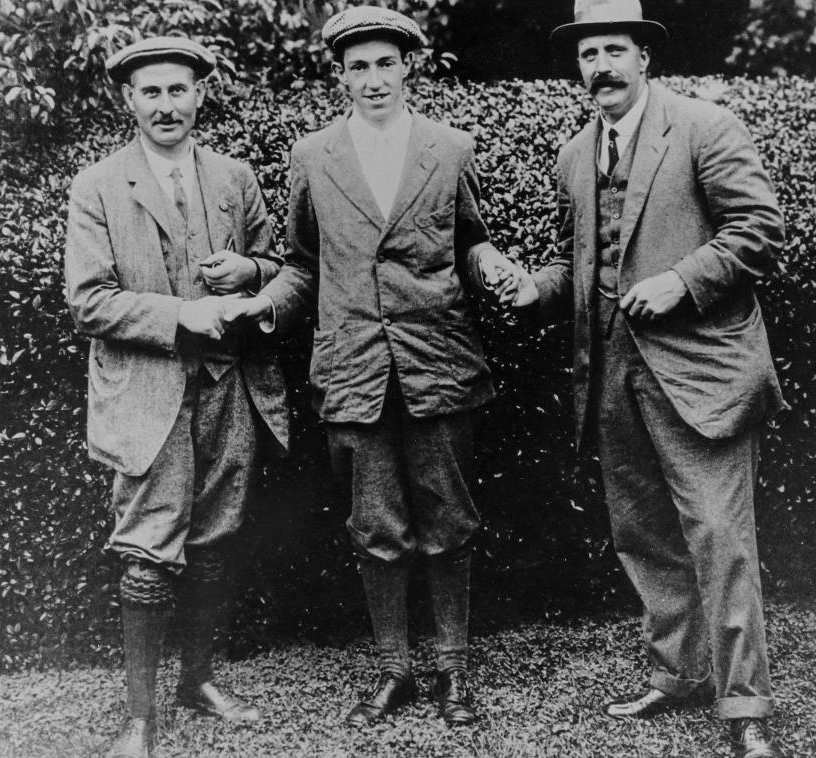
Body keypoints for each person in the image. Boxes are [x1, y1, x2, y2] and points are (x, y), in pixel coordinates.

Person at [506, 1, 788, 756]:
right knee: (643, 537)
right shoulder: (573, 155)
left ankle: (746, 708)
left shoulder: (704, 127)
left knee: (721, 538)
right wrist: (534, 289)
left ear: (644, 58)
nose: (600, 65)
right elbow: (581, 265)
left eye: (614, 50)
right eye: (587, 54)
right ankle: (676, 675)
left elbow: (758, 230)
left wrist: (680, 281)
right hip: (611, 375)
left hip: (701, 373)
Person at [224, 5, 516, 728]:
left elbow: (471, 241)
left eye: (386, 63)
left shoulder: (450, 148)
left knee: (449, 520)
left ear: (409, 67)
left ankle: (451, 673)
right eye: (359, 66)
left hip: (439, 363)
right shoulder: (311, 157)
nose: (374, 78)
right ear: (341, 75)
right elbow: (301, 265)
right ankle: (394, 673)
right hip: (354, 367)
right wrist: (264, 307)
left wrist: (496, 268)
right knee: (375, 526)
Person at [64, 36, 289, 758]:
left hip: (230, 388)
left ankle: (199, 680)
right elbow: (88, 301)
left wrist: (247, 270)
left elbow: (279, 265)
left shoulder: (233, 176)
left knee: (218, 535)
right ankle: (140, 717)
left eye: (178, 90)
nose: (166, 105)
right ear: (128, 100)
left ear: (200, 95)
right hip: (148, 393)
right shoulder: (97, 186)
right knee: (148, 548)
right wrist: (176, 314)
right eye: (151, 92)